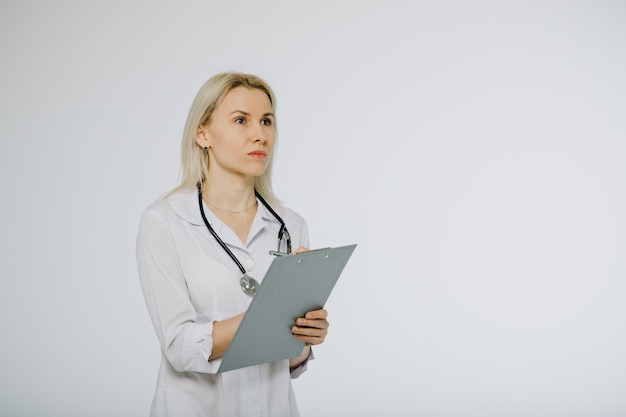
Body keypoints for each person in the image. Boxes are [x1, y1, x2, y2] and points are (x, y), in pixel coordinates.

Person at [136, 72, 330, 417]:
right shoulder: (164, 221)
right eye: (241, 120)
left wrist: (304, 338)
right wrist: (271, 310)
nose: (260, 134)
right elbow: (179, 347)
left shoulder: (290, 225)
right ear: (203, 133)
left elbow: (287, 361)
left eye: (266, 121)